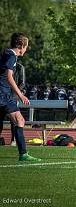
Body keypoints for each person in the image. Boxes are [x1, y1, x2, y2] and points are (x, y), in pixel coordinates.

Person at [0, 33, 41, 161]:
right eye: (26, 46)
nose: (26, 49)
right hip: (3, 95)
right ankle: (23, 154)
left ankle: (23, 153)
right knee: (20, 121)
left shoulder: (6, 54)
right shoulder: (11, 55)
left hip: (4, 94)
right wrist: (20, 94)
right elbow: (9, 76)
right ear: (21, 45)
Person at [0, 62, 26, 146]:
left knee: (14, 120)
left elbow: (22, 83)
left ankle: (13, 139)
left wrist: (17, 93)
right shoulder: (4, 66)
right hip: (3, 96)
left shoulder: (20, 67)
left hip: (13, 96)